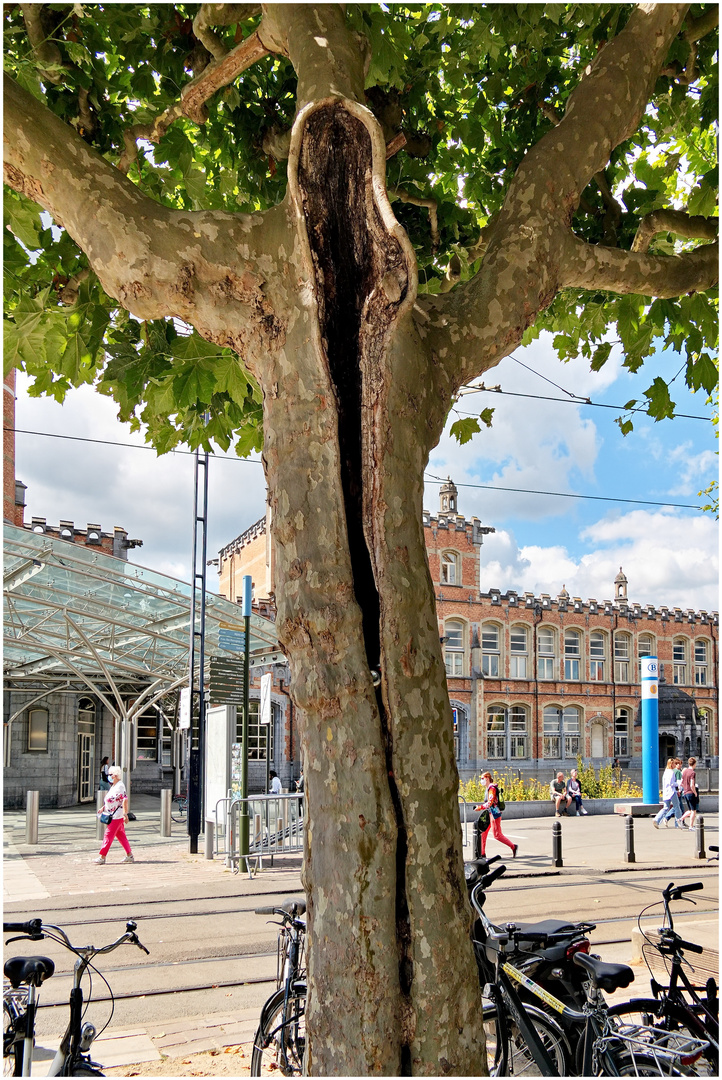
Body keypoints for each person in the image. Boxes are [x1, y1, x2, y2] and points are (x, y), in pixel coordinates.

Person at [95, 765, 134, 864]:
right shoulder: (114, 786)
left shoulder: (120, 786)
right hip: (113, 814)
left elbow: (124, 799)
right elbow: (111, 800)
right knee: (121, 836)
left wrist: (125, 814)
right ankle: (129, 855)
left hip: (116, 816)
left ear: (116, 775)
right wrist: (103, 808)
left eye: (110, 774)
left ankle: (102, 857)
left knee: (108, 835)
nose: (109, 776)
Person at [474, 772, 517, 858]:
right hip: (489, 813)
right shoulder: (488, 789)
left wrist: (479, 807)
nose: (481, 780)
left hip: (494, 814)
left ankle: (513, 846)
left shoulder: (492, 789)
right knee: (484, 832)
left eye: (482, 778)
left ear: (487, 778)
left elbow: (490, 803)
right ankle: (482, 853)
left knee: (497, 835)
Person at [653, 758, 676, 829]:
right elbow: (671, 783)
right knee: (677, 806)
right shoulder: (671, 772)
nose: (675, 764)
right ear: (671, 764)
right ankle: (679, 823)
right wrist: (678, 783)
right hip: (671, 792)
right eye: (674, 763)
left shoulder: (666, 772)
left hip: (666, 792)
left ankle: (656, 819)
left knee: (666, 808)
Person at [679, 757, 699, 830]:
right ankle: (691, 826)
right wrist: (695, 792)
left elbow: (681, 783)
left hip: (685, 792)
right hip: (691, 793)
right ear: (694, 764)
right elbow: (692, 784)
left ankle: (681, 819)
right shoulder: (692, 773)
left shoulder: (685, 771)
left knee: (690, 810)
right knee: (693, 810)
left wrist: (685, 788)